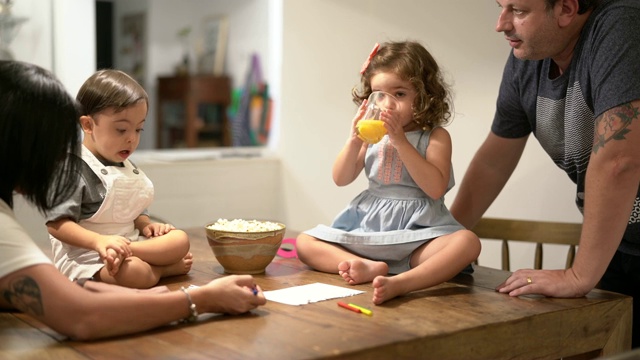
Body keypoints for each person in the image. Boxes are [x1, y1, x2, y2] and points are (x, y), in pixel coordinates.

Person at [0, 60, 266, 340]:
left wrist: (146, 227)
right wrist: (204, 299)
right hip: (95, 258)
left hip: (124, 250)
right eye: (53, 143)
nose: (59, 158)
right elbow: (82, 315)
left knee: (176, 240)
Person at [449, 0, 640, 348]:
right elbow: (494, 160)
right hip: (623, 250)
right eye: (500, 7)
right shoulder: (527, 61)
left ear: (567, 9)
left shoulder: (622, 27)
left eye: (518, 11)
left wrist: (579, 275)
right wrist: (442, 240)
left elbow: (619, 160)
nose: (501, 24)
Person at [296, 41, 481, 305]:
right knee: (305, 242)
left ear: (425, 95)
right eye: (378, 94)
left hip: (416, 236)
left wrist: (401, 142)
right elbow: (341, 178)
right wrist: (353, 140)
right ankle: (364, 265)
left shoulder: (435, 137)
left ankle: (402, 283)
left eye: (400, 94)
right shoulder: (373, 135)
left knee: (468, 243)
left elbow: (435, 188)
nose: (387, 104)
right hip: (369, 230)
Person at [46, 69, 192, 289]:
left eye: (138, 129)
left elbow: (133, 212)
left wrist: (146, 226)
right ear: (87, 125)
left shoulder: (125, 164)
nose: (131, 138)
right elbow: (57, 225)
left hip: (130, 246)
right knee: (136, 273)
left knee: (180, 239)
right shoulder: (72, 167)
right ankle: (163, 269)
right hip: (88, 257)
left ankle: (138, 255)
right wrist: (100, 242)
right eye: (121, 129)